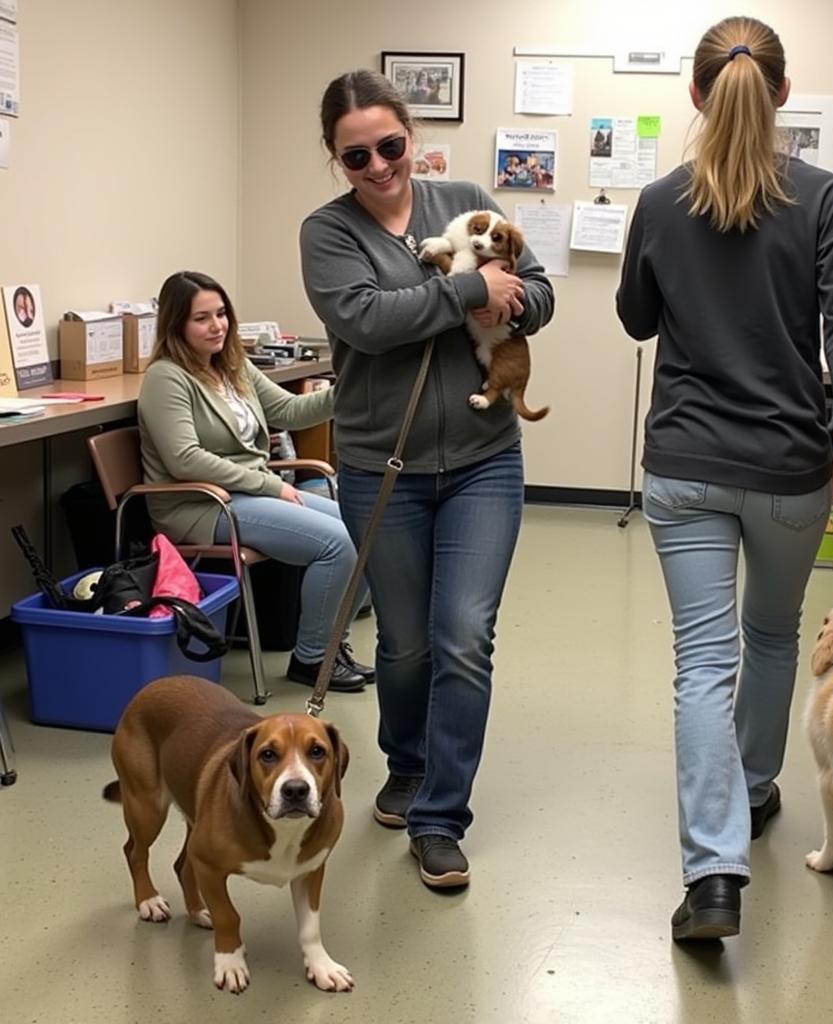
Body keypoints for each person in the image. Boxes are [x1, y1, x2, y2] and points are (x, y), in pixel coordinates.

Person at [615, 15, 833, 941]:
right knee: (771, 637)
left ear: (695, 94)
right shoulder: (824, 199)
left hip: (686, 464)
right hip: (788, 467)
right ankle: (756, 787)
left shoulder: (658, 201)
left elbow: (636, 319)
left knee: (703, 660)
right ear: (781, 94)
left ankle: (714, 872)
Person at [300, 69, 554, 890]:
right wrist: (472, 288)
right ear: (337, 159)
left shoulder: (469, 198)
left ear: (412, 137)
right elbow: (368, 322)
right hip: (383, 468)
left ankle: (442, 817)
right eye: (356, 155)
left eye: (391, 146)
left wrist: (513, 308)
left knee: (463, 639)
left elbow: (539, 290)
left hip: (485, 459)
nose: (378, 166)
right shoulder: (328, 233)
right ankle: (404, 765)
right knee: (405, 646)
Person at [137, 270, 372, 693]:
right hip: (200, 505)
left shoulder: (233, 365)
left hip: (246, 491)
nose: (217, 326)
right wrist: (271, 486)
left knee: (370, 531)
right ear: (175, 325)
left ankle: (331, 647)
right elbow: (185, 458)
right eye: (201, 318)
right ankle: (312, 658)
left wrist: (353, 385)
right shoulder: (166, 378)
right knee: (339, 544)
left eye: (222, 314)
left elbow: (290, 411)